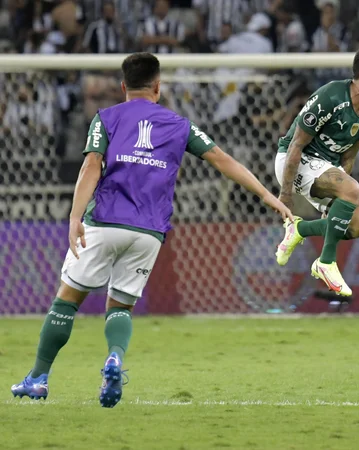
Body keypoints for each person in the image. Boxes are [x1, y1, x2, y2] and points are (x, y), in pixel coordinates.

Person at [10, 53, 292, 408]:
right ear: (159, 86)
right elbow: (224, 160)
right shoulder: (179, 125)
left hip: (105, 222)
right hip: (149, 232)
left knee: (67, 300)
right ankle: (114, 358)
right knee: (121, 307)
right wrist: (268, 195)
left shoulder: (106, 117)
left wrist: (74, 217)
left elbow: (90, 166)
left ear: (123, 86)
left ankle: (38, 378)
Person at [274, 45, 359, 297]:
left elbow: (349, 154)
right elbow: (296, 144)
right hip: (294, 160)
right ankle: (326, 263)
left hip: (327, 167)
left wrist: (342, 193)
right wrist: (285, 195)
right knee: (351, 189)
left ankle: (300, 230)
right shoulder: (330, 97)